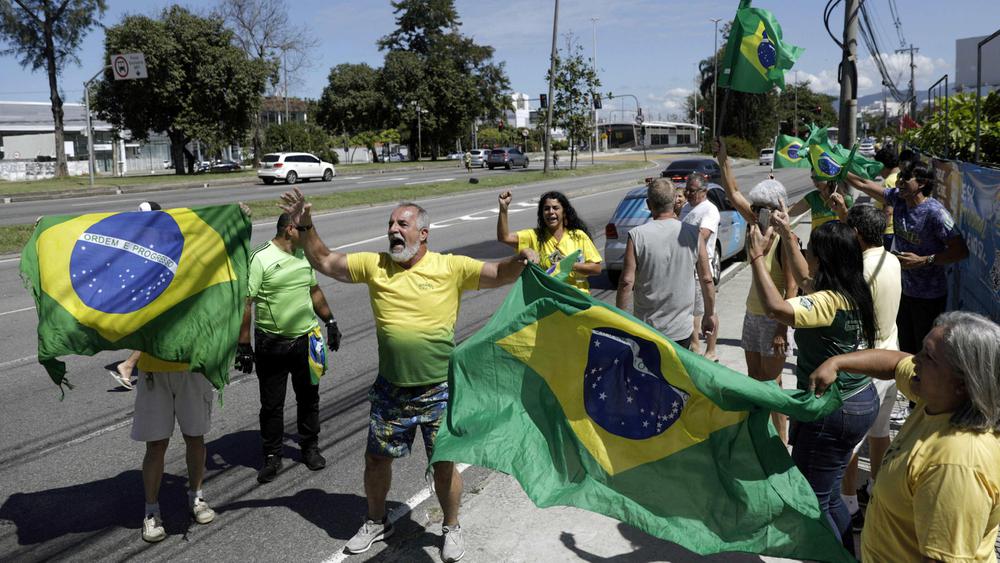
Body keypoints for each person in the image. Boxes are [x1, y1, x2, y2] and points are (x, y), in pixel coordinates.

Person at [278, 188, 537, 562]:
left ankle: (451, 527)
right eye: (390, 224)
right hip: (391, 390)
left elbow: (497, 273)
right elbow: (325, 260)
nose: (393, 230)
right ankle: (376, 521)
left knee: (444, 464)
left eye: (402, 223)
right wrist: (306, 224)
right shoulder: (376, 265)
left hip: (440, 390)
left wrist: (520, 260)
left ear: (423, 233)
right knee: (376, 460)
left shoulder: (449, 267)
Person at [809, 312, 1000, 563]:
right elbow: (896, 362)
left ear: (963, 383)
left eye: (928, 356)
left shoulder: (954, 465)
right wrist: (837, 363)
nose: (916, 360)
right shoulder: (938, 400)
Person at [748, 216, 879, 553]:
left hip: (834, 410)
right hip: (860, 399)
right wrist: (787, 234)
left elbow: (776, 308)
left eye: (811, 250)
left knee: (811, 500)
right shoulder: (853, 291)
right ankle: (846, 556)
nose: (807, 255)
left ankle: (831, 557)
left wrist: (757, 258)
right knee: (829, 495)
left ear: (823, 258)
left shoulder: (827, 302)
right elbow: (806, 280)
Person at [236, 213, 342, 484]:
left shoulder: (305, 255)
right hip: (271, 344)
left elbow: (314, 290)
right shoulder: (260, 257)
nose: (308, 234)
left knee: (309, 398)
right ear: (290, 229)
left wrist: (330, 321)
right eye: (304, 229)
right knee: (272, 404)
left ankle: (310, 447)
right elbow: (246, 302)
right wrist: (244, 344)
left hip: (306, 340)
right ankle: (272, 455)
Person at [716, 139, 797, 443]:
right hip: (752, 314)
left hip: (774, 320)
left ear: (778, 210)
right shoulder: (755, 228)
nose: (759, 213)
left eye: (765, 209)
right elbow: (733, 192)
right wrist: (723, 159)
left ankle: (780, 442)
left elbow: (792, 287)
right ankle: (759, 439)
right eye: (757, 208)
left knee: (772, 386)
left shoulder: (786, 241)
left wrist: (781, 329)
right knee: (755, 382)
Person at [844, 160, 969, 355]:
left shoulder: (935, 213)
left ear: (922, 183)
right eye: (900, 177)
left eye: (906, 178)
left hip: (928, 296)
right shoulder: (898, 199)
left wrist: (925, 260)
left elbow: (961, 250)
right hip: (903, 291)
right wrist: (839, 170)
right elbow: (863, 183)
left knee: (924, 351)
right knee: (905, 349)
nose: (899, 182)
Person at [837, 204, 902, 530]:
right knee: (880, 433)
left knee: (849, 443)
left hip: (866, 366)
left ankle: (849, 506)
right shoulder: (891, 259)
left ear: (857, 233)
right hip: (892, 359)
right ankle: (876, 492)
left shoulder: (858, 271)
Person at [615, 178, 716, 349]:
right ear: (675, 201)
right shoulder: (694, 234)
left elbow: (626, 282)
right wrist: (709, 314)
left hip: (647, 329)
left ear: (648, 204)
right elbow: (706, 278)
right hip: (681, 330)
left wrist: (620, 320)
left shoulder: (637, 235)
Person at [132, 353, 216, 542]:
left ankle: (197, 498)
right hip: (153, 371)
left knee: (194, 437)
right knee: (156, 444)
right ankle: (151, 511)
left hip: (192, 368)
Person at [496, 190, 602, 293]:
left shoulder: (578, 236)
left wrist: (569, 264)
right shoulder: (534, 236)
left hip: (577, 297)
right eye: (546, 209)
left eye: (555, 208)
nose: (551, 212)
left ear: (564, 212)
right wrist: (503, 208)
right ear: (542, 214)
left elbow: (596, 269)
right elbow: (504, 237)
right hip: (548, 298)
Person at [108, 201, 163, 390]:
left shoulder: (141, 234)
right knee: (157, 330)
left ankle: (147, 368)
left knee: (158, 331)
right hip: (147, 291)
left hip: (151, 289)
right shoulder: (145, 236)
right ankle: (129, 365)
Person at [679, 172, 720, 361]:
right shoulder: (687, 208)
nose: (688, 194)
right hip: (686, 266)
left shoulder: (709, 210)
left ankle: (710, 350)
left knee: (704, 311)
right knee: (690, 311)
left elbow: (703, 235)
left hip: (701, 267)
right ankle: (694, 348)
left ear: (704, 191)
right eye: (687, 190)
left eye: (692, 191)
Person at [788, 177, 854, 230]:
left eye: (818, 177)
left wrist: (842, 207)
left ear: (829, 177)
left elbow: (852, 226)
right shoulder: (812, 197)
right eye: (813, 177)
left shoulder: (845, 199)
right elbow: (790, 212)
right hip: (817, 242)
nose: (814, 181)